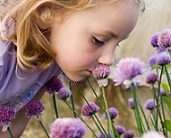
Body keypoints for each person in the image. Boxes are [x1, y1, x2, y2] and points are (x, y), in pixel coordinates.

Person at [0, 0, 144, 137]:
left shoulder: (52, 61)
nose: (108, 60)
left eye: (116, 45)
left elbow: (15, 123)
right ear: (45, 13)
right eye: (98, 40)